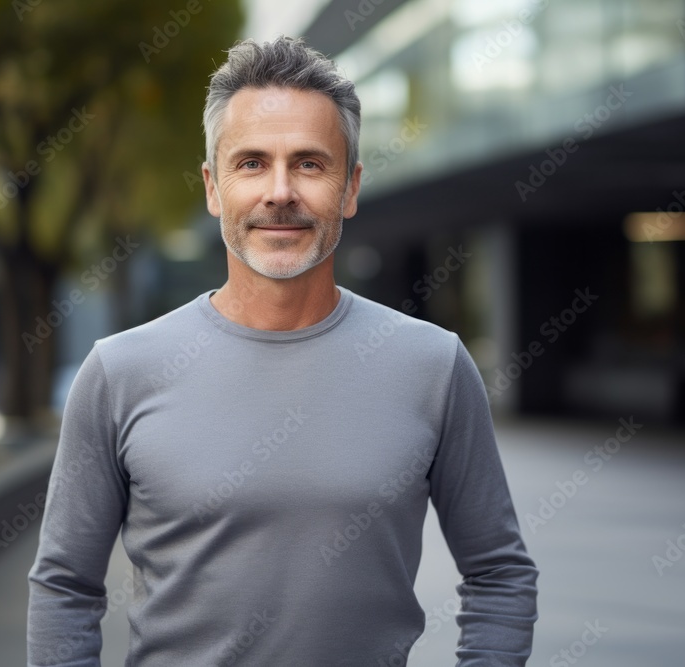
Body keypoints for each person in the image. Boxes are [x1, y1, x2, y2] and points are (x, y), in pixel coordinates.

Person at [27, 36, 537, 666]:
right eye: (250, 163)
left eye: (309, 163)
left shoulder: (434, 366)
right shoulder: (119, 371)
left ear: (349, 189)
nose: (279, 192)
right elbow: (63, 585)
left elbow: (498, 573)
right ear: (214, 188)